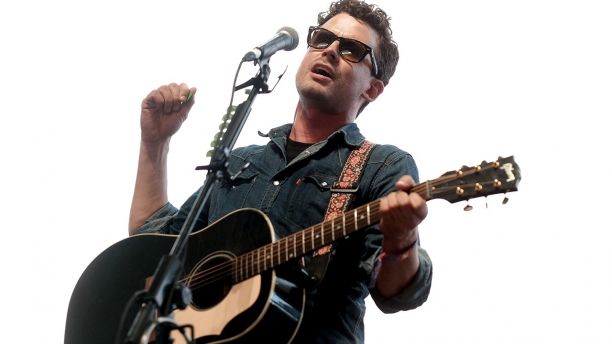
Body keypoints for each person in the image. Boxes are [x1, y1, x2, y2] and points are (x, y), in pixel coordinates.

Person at [128, 0, 432, 342]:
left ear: (372, 88)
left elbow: (398, 294)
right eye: (322, 39)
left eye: (350, 49)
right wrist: (155, 143)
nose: (330, 50)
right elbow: (151, 241)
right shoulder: (240, 161)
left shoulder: (382, 166)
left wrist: (402, 240)